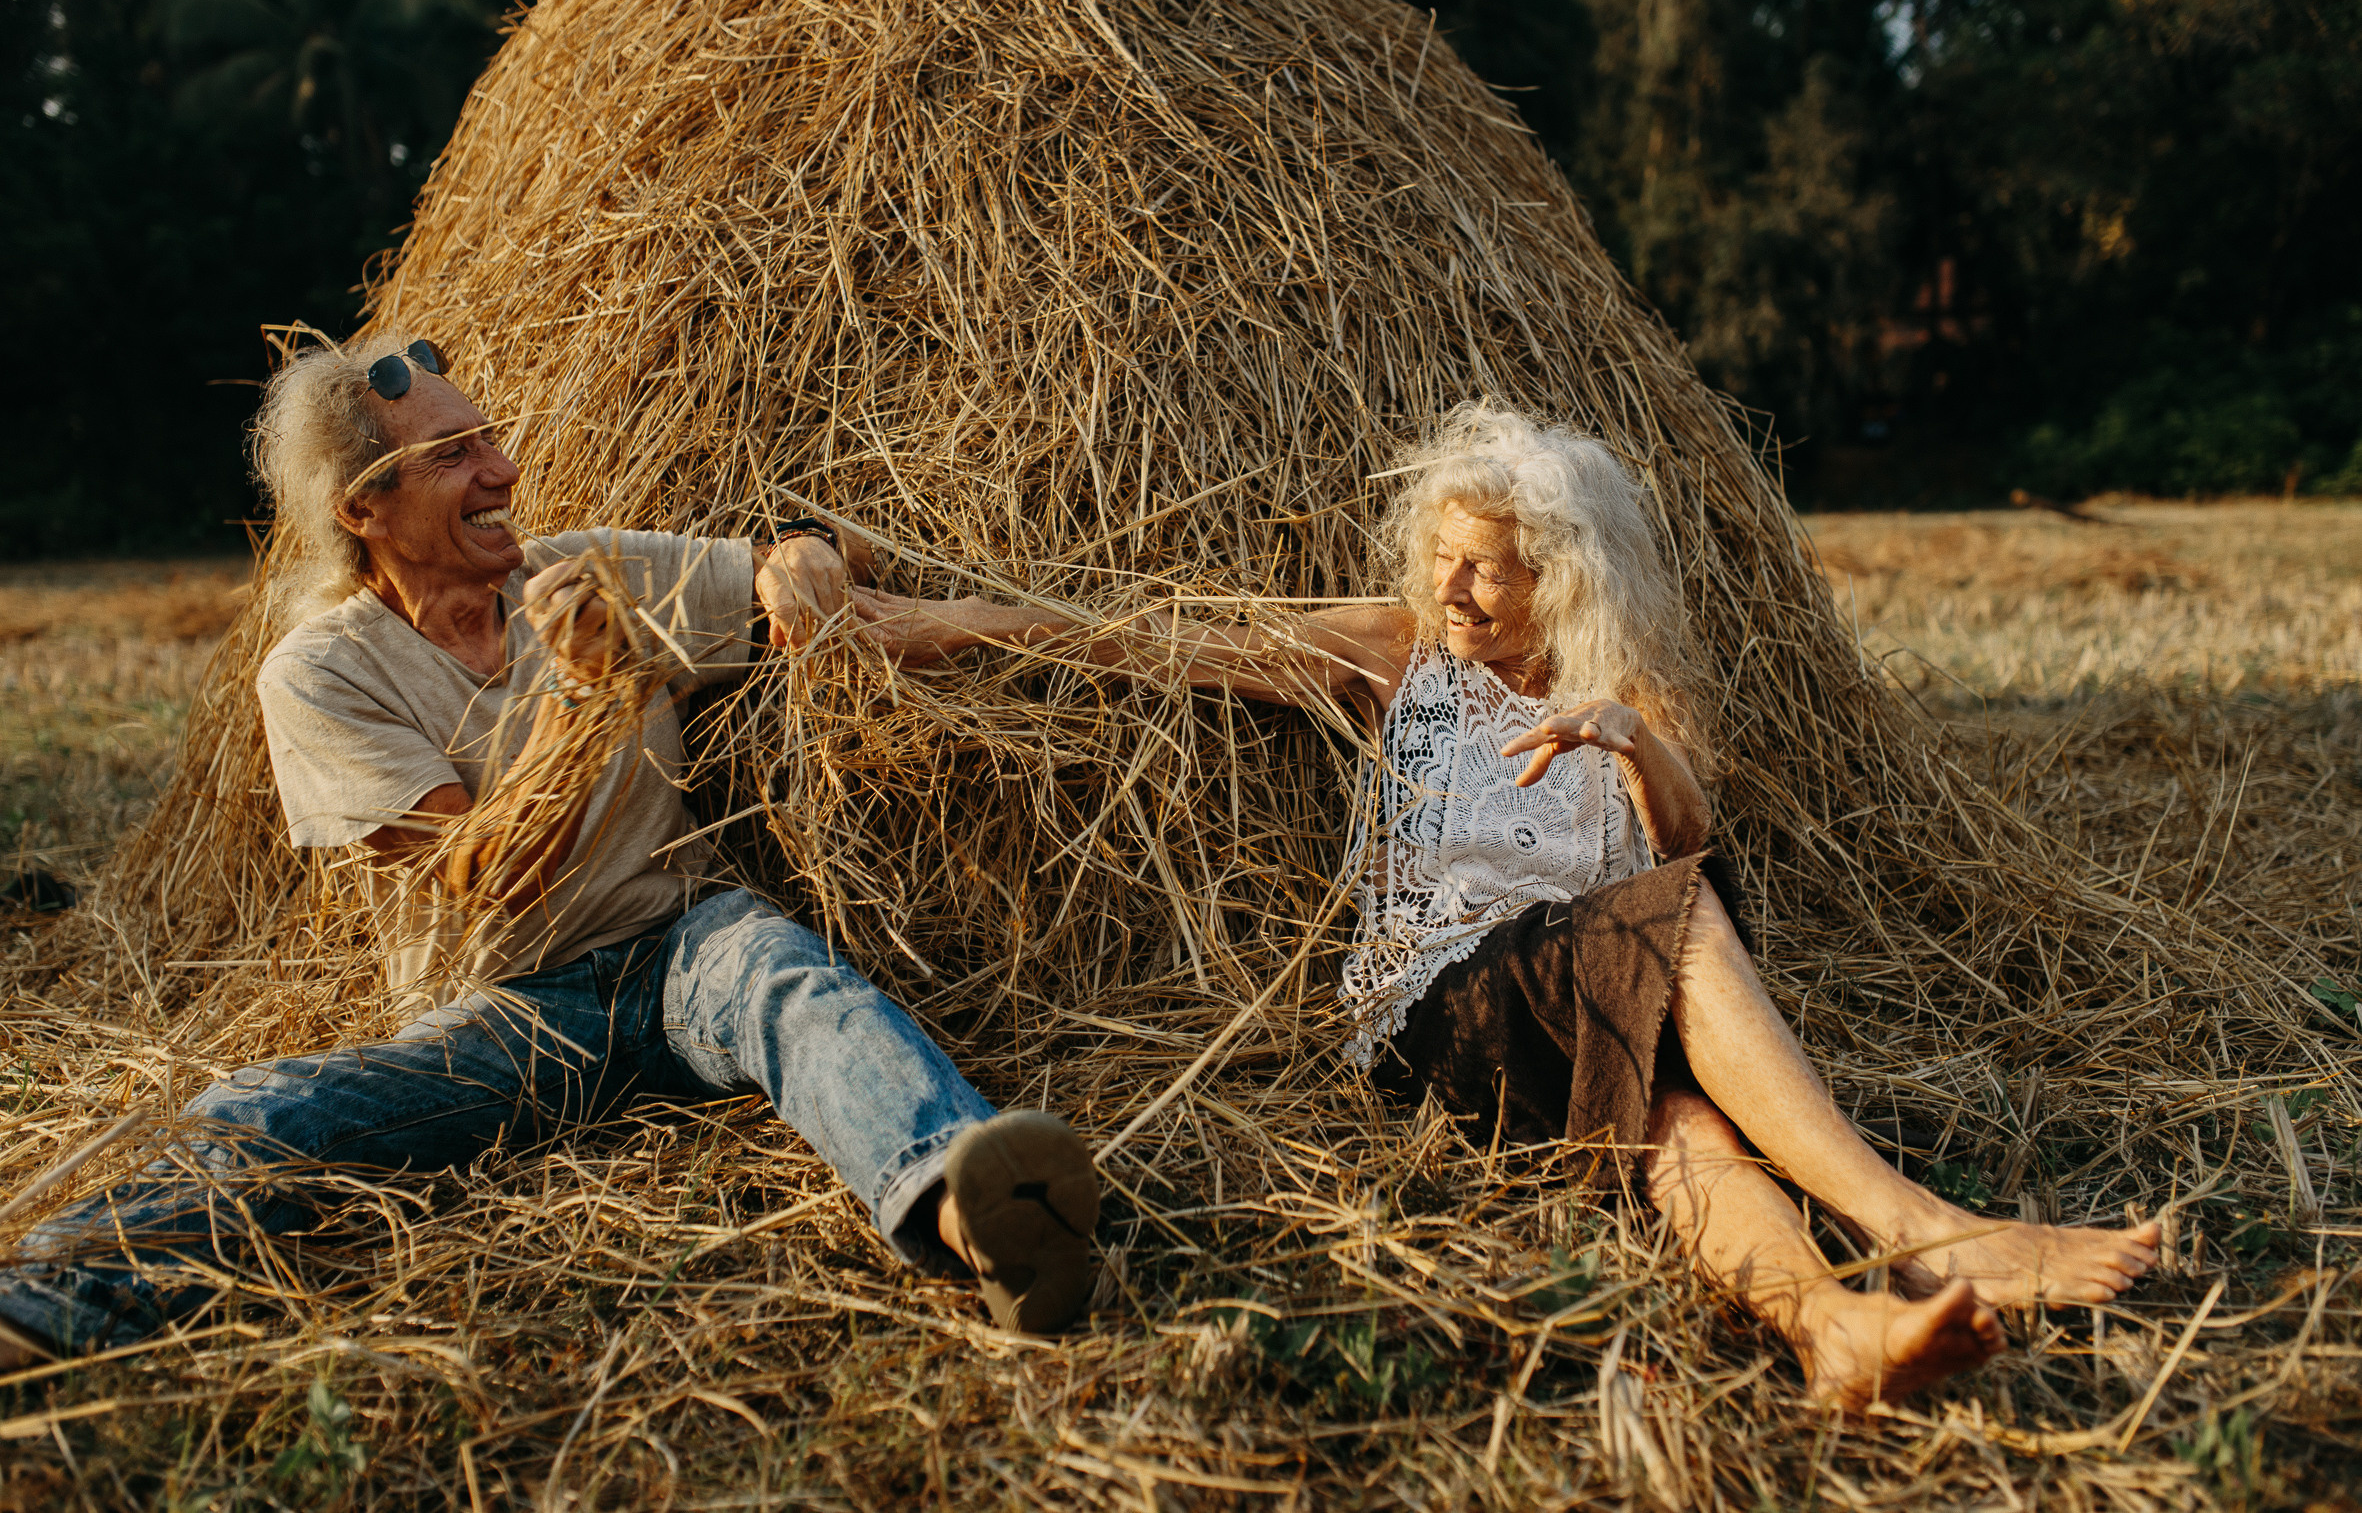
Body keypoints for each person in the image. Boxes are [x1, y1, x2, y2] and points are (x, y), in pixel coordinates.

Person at [847, 399, 2161, 1410]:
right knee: (1673, 918)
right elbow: (1153, 638)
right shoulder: (1397, 650)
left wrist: (1631, 744)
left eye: (1485, 566)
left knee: (1681, 1123)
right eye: (1440, 556)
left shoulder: (1630, 680)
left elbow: (1690, 839)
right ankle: (1919, 1228)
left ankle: (1831, 1326)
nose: (1452, 587)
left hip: (1592, 991)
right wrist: (938, 620)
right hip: (1441, 1004)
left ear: (1560, 574)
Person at [0, 331, 1099, 1367]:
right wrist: (580, 696)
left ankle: (976, 1215)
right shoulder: (321, 673)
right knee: (269, 1113)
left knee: (798, 993)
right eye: (454, 454)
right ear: (364, 508)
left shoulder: (583, 569)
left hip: (685, 946)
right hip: (509, 1014)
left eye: (489, 437)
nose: (505, 469)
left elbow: (839, 584)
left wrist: (802, 557)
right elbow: (483, 874)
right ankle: (47, 1307)